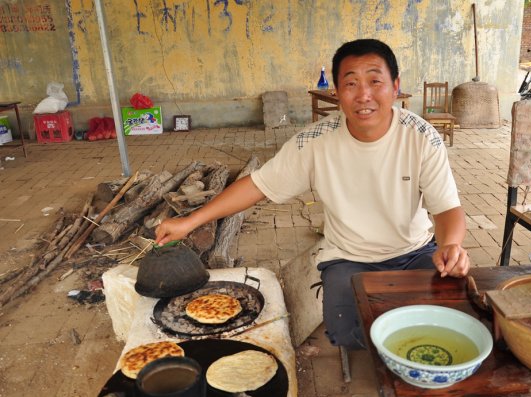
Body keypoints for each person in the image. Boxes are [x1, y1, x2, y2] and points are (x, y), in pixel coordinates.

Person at [155, 39, 470, 350]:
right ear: (336, 92)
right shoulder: (314, 142)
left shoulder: (421, 137)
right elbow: (257, 185)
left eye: (375, 81)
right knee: (348, 332)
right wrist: (190, 221)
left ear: (395, 86)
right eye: (351, 83)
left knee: (452, 317)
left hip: (413, 252)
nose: (364, 95)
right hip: (348, 257)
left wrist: (451, 245)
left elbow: (446, 209)